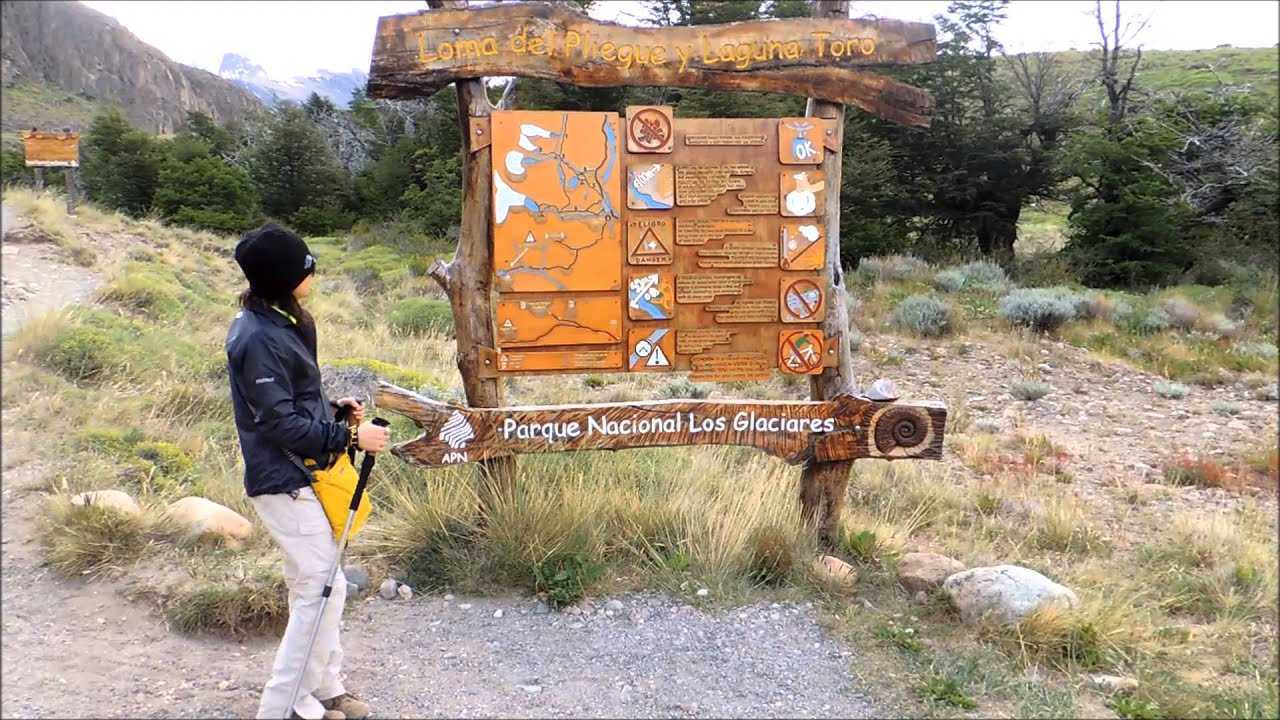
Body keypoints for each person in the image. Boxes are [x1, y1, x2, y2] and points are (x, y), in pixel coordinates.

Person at [226, 223, 391, 720]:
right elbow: (278, 424)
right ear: (281, 277)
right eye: (304, 265)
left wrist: (332, 411)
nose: (313, 271)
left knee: (318, 585)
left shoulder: (278, 321)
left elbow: (290, 403)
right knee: (321, 586)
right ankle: (285, 706)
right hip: (283, 480)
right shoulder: (256, 338)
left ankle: (325, 687)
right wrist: (349, 438)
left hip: (300, 476)